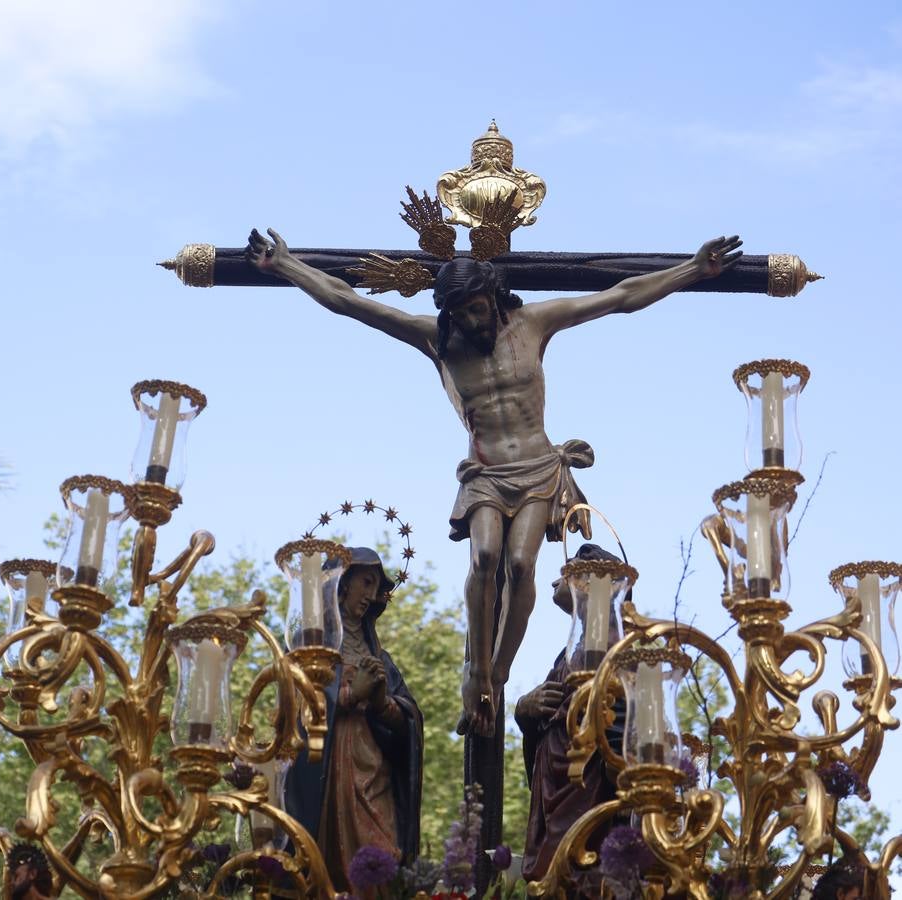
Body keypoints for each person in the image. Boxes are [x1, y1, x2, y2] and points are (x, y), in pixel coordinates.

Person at [246, 228, 743, 736]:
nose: (469, 319)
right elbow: (349, 302)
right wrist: (287, 266)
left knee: (522, 563)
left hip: (537, 467)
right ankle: (476, 670)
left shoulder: (534, 323)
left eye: (476, 308)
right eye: (458, 312)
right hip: (485, 472)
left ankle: (497, 675)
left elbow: (619, 298)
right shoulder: (436, 339)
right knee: (485, 558)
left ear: (494, 295)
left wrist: (693, 269)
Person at [285, 547, 423, 897]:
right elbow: (293, 710)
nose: (371, 594)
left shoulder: (381, 659)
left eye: (376, 587)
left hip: (374, 771)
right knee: (335, 862)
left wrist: (380, 703)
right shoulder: (313, 649)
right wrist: (348, 696)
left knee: (382, 855)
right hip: (331, 770)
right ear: (342, 584)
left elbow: (408, 719)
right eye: (366, 582)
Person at [515, 543, 627, 886]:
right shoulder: (567, 657)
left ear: (588, 582)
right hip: (553, 800)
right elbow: (546, 737)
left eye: (565, 572)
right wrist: (524, 712)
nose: (554, 583)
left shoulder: (618, 651)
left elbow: (624, 733)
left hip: (588, 795)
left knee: (580, 878)